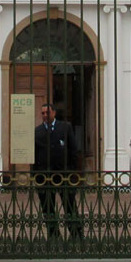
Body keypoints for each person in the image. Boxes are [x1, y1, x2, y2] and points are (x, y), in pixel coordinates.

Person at [32, 101, 80, 242]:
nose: (45, 115)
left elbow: (73, 150)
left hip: (63, 175)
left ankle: (76, 233)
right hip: (44, 177)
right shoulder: (37, 131)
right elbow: (34, 155)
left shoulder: (65, 127)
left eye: (47, 112)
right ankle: (54, 235)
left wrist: (71, 171)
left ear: (54, 113)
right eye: (43, 113)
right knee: (48, 208)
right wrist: (36, 175)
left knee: (69, 205)